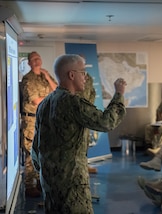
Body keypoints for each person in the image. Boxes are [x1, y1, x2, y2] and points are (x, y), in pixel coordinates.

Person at [31, 54, 126, 213]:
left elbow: (36, 146)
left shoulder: (46, 102)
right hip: (71, 183)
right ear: (71, 75)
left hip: (49, 180)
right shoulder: (72, 102)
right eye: (83, 72)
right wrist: (119, 94)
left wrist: (45, 172)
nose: (86, 77)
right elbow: (106, 121)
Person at [20, 51, 57, 197]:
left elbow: (58, 89)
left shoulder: (44, 76)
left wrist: (48, 76)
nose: (36, 61)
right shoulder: (28, 79)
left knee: (44, 152)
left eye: (38, 58)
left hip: (45, 120)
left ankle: (41, 182)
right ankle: (29, 186)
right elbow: (36, 100)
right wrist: (52, 96)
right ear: (29, 63)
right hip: (31, 120)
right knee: (31, 153)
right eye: (33, 59)